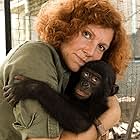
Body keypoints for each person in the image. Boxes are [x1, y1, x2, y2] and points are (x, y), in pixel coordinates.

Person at [0, 0, 131, 140]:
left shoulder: (73, 71)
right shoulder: (36, 56)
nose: (90, 51)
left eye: (101, 47)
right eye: (86, 34)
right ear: (67, 27)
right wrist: (107, 119)